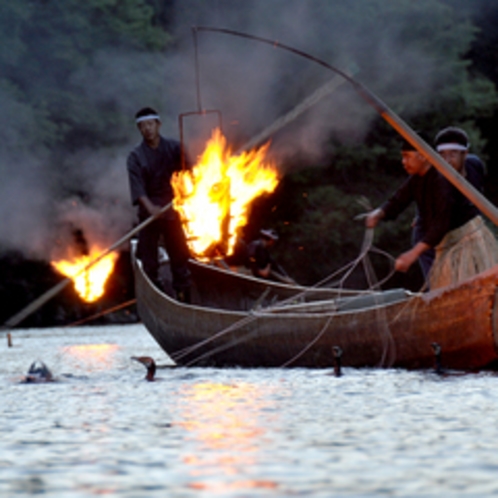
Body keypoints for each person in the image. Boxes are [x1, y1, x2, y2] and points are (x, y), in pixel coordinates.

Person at [365, 136, 486, 290]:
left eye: (407, 157)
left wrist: (412, 254)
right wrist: (379, 213)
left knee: (461, 282)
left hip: (455, 239)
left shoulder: (443, 180)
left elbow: (441, 224)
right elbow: (398, 200)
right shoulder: (416, 179)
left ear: (422, 156)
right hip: (432, 237)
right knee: (437, 281)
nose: (403, 162)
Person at [127, 107, 192, 302]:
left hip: (173, 210)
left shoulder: (174, 148)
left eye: (150, 124)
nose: (147, 129)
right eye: (143, 126)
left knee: (180, 258)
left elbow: (190, 173)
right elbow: (138, 190)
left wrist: (186, 192)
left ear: (158, 125)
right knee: (149, 263)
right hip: (149, 215)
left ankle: (184, 299)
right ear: (139, 129)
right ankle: (157, 298)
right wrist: (151, 209)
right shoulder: (135, 157)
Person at [412, 127, 486, 278]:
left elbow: (477, 197)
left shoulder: (474, 166)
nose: (446, 160)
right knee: (440, 284)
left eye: (452, 154)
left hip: (466, 233)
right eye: (442, 155)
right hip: (433, 235)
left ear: (465, 154)